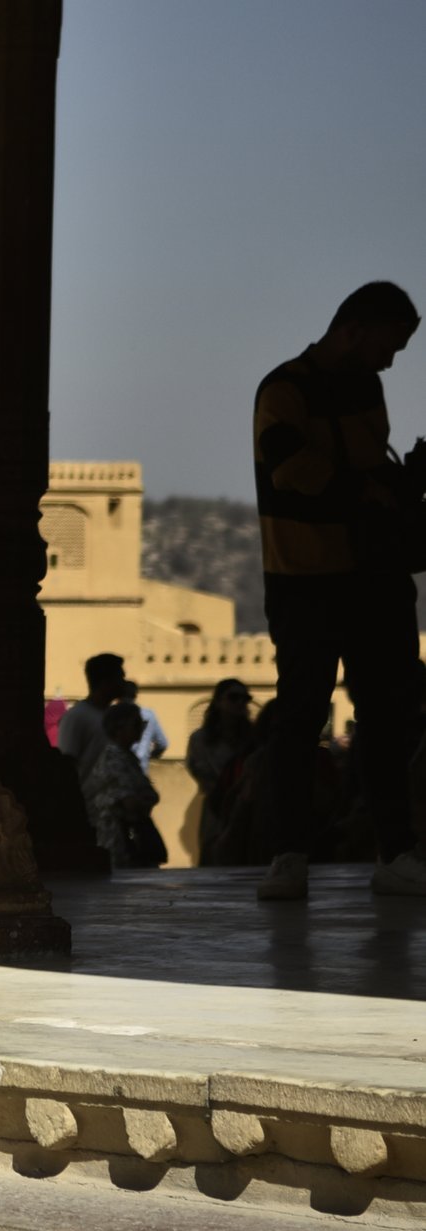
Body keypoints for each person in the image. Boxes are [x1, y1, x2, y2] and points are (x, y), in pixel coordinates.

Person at [251, 280, 426, 901]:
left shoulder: (364, 387)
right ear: (355, 329)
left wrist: (396, 484)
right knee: (300, 719)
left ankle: (395, 852)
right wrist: (370, 493)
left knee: (385, 718)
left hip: (370, 578)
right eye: (391, 344)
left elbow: (362, 469)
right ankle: (288, 854)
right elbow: (289, 471)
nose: (391, 360)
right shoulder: (284, 389)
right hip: (306, 579)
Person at [81, 702, 163, 869]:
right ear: (119, 728)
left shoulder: (127, 757)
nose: (141, 728)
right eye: (136, 724)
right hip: (118, 841)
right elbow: (130, 802)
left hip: (131, 839)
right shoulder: (113, 758)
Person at [185, 679, 256, 864]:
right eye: (233, 697)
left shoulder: (253, 739)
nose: (240, 702)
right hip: (217, 808)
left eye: (245, 698)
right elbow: (203, 775)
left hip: (248, 810)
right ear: (218, 702)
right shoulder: (200, 740)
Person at [55, 653, 126, 776]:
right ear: (105, 682)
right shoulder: (76, 717)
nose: (123, 683)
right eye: (120, 678)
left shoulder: (111, 716)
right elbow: (67, 766)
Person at [119, 679, 169, 766]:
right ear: (135, 695)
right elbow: (162, 744)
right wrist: (149, 756)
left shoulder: (109, 715)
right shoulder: (148, 715)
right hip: (140, 771)